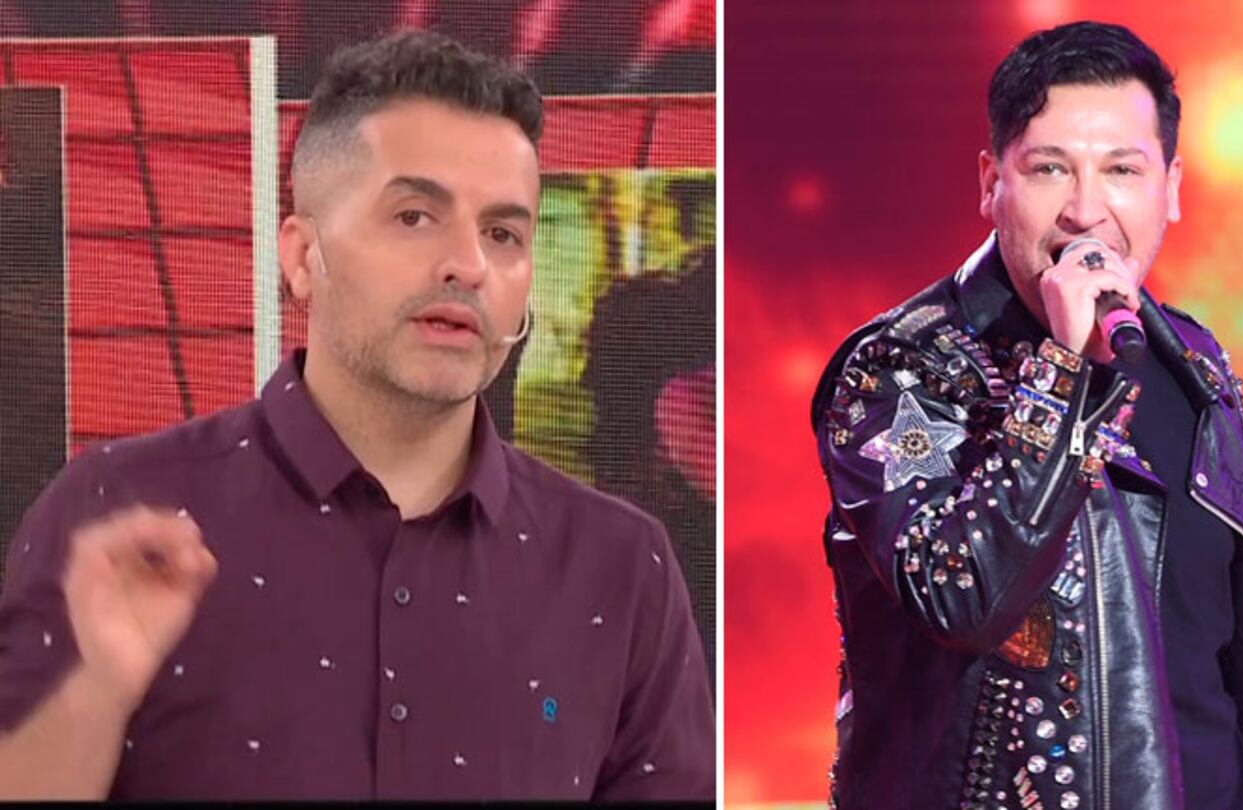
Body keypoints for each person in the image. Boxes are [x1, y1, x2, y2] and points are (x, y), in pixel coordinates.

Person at [0, 30, 714, 801]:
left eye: (503, 233)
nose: (469, 265)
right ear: (302, 257)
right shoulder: (113, 509)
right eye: (414, 217)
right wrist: (93, 698)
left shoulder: (621, 566)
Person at [812, 21, 1243, 809]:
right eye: (1050, 168)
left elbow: (1237, 643)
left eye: (1122, 169)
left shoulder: (1194, 359)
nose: (1086, 211)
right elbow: (960, 595)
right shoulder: (900, 369)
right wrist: (1061, 370)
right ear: (991, 183)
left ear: (1170, 189)